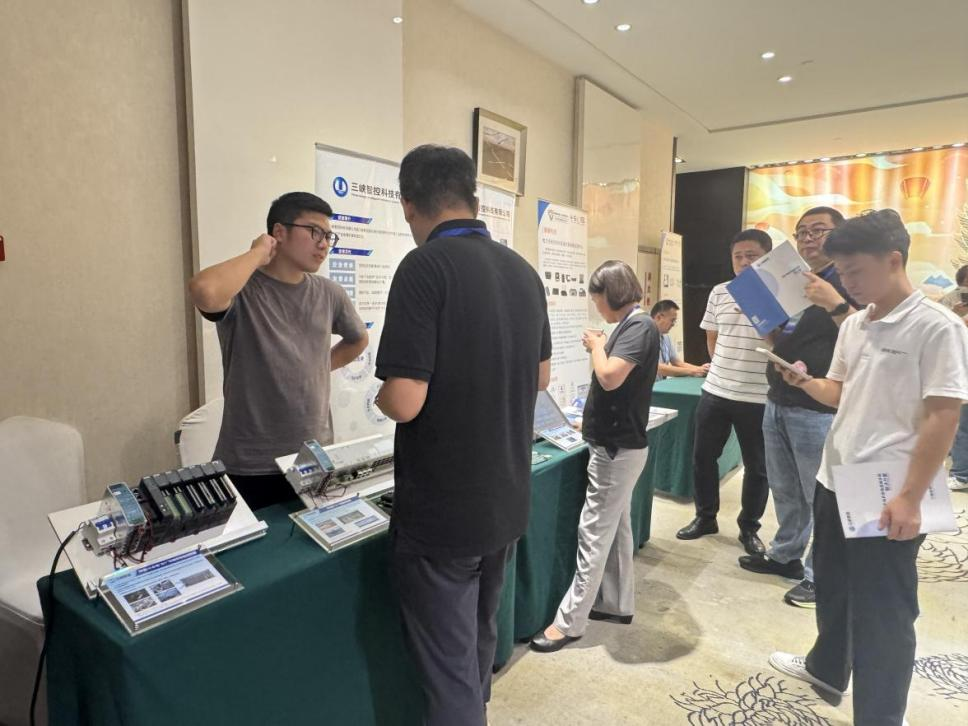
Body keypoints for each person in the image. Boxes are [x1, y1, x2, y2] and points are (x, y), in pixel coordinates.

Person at [769, 209, 968, 726]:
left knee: (885, 610)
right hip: (835, 478)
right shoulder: (856, 323)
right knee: (833, 586)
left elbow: (943, 415)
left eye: (854, 271)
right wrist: (804, 382)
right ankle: (826, 670)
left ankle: (881, 716)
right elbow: (839, 392)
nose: (847, 282)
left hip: (889, 490)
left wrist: (910, 496)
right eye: (842, 271)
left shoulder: (938, 327)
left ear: (893, 260)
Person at [374, 145, 551, 726]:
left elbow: (404, 401)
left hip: (443, 511)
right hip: (506, 497)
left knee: (446, 670)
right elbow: (541, 378)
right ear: (472, 195)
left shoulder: (423, 267)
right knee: (477, 640)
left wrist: (378, 397)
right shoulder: (523, 271)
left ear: (408, 204)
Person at [188, 192, 368, 510]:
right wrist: (258, 253)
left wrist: (315, 367)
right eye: (314, 232)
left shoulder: (329, 293)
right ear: (279, 232)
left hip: (312, 458)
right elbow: (205, 291)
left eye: (328, 236)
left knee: (315, 539)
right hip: (249, 464)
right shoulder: (243, 290)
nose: (324, 244)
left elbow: (358, 340)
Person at [530, 261, 661, 653]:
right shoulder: (634, 326)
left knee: (593, 535)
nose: (596, 306)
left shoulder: (639, 327)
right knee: (616, 527)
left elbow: (609, 377)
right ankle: (617, 603)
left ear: (611, 293)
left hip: (616, 449)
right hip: (617, 443)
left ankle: (570, 622)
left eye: (597, 298)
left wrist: (596, 345)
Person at [738, 207, 858, 608]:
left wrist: (836, 303)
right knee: (785, 488)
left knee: (820, 495)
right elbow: (786, 338)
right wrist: (766, 327)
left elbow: (867, 336)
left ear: (840, 235)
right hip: (779, 396)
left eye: (818, 231)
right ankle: (786, 554)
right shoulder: (794, 281)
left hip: (819, 406)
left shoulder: (848, 283)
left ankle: (819, 576)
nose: (808, 239)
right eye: (802, 232)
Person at [676, 229, 772, 556]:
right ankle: (705, 517)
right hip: (716, 390)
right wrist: (723, 367)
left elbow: (784, 343)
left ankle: (749, 528)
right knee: (703, 457)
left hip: (758, 396)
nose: (743, 262)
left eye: (752, 256)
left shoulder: (779, 294)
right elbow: (712, 338)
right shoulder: (719, 292)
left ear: (767, 257)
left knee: (758, 467)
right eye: (738, 256)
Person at [940, 264, 968, 491]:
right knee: (963, 425)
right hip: (958, 370)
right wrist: (956, 316)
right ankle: (961, 474)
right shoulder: (949, 300)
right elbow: (935, 329)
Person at [651, 299, 710, 380]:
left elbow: (677, 362)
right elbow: (658, 368)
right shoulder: (644, 337)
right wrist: (693, 372)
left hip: (660, 385)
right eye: (672, 320)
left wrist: (701, 369)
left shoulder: (666, 337)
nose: (673, 324)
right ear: (658, 317)